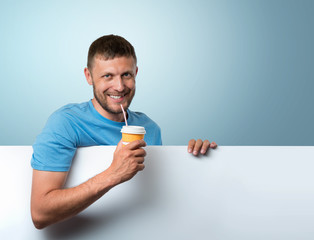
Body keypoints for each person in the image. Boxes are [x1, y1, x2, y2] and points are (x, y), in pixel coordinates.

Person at [30, 34, 217, 229]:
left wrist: (196, 159)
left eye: (126, 75)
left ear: (136, 73)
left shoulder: (150, 129)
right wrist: (113, 174)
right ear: (89, 76)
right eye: (107, 76)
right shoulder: (65, 123)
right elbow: (40, 213)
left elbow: (159, 199)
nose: (119, 87)